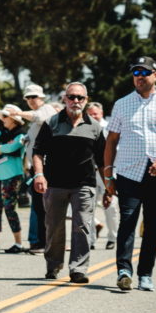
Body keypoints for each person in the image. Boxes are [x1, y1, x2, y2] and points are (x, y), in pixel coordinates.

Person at [32, 83, 106, 283]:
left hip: (84, 184)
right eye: (72, 97)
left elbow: (102, 161)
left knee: (82, 226)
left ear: (86, 100)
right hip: (55, 184)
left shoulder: (95, 127)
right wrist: (39, 175)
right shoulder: (52, 123)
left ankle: (78, 269)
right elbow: (38, 151)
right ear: (65, 98)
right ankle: (53, 266)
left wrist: (109, 186)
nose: (76, 101)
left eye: (80, 98)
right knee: (54, 226)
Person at [104, 56, 156, 292]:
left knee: (152, 227)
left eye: (144, 73)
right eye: (136, 73)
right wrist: (108, 175)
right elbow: (111, 141)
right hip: (129, 172)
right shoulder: (122, 104)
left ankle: (145, 274)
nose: (139, 77)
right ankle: (124, 271)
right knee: (127, 222)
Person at [5, 85, 60, 253]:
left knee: (45, 207)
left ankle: (46, 244)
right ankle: (41, 242)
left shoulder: (47, 109)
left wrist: (18, 114)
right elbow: (32, 135)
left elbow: (38, 118)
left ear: (42, 97)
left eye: (33, 97)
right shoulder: (37, 118)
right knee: (39, 206)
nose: (30, 100)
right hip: (36, 168)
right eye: (27, 98)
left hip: (47, 167)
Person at [0, 104, 27, 253]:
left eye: (5, 116)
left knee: (10, 208)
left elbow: (13, 147)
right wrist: (0, 148)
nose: (3, 119)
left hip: (13, 174)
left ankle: (18, 243)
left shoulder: (21, 134)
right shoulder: (1, 133)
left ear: (13, 120)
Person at [87, 102, 117, 249]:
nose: (93, 116)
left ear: (101, 112)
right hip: (89, 172)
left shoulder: (110, 127)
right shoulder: (84, 128)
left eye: (95, 114)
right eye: (90, 114)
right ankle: (91, 239)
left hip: (106, 171)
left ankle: (112, 238)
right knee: (88, 207)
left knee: (110, 207)